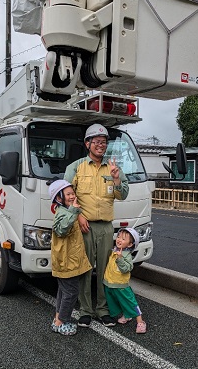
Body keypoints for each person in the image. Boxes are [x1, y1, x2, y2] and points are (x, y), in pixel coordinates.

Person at [64, 123, 129, 328]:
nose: (101, 145)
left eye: (104, 142)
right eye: (97, 142)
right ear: (87, 144)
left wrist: (117, 178)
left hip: (106, 227)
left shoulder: (113, 168)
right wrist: (79, 216)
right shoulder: (76, 167)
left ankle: (103, 309)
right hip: (83, 225)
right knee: (84, 268)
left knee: (104, 269)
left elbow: (123, 194)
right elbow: (66, 197)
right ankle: (85, 310)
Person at [48, 179, 92, 336]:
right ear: (59, 198)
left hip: (69, 261)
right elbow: (61, 230)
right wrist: (74, 212)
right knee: (71, 292)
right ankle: (62, 321)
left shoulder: (68, 211)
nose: (72, 196)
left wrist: (75, 212)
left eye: (73, 193)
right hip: (66, 262)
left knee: (63, 291)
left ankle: (57, 319)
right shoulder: (62, 213)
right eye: (68, 194)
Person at [103, 227, 147, 334]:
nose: (119, 240)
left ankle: (140, 322)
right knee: (117, 301)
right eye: (118, 237)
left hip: (121, 285)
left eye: (123, 239)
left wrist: (120, 259)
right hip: (110, 283)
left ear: (130, 244)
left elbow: (127, 268)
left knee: (130, 302)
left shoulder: (126, 255)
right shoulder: (115, 250)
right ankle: (126, 316)